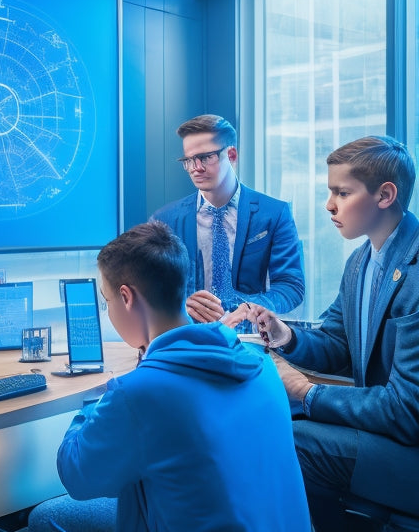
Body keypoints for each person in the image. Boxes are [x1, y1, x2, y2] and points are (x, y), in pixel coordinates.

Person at [25, 221, 309, 532]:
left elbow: (76, 476)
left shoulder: (138, 394)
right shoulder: (259, 363)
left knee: (44, 517)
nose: (109, 311)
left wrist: (96, 403)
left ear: (126, 297)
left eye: (107, 302)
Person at [252, 136, 419, 531]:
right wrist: (284, 336)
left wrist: (305, 391)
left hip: (409, 448)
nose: (329, 205)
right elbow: (337, 344)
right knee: (281, 420)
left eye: (342, 193)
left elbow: (407, 412)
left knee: (294, 439)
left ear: (385, 195)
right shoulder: (361, 261)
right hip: (387, 434)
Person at [150, 113, 304, 329]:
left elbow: (291, 286)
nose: (196, 168)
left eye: (204, 158)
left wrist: (248, 308)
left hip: (249, 337)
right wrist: (181, 305)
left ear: (231, 155)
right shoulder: (165, 220)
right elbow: (149, 288)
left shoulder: (274, 213)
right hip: (187, 337)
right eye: (189, 160)